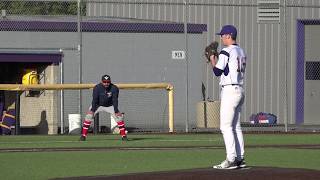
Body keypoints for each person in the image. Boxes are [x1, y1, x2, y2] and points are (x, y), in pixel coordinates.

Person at [209, 25, 247, 169]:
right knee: (235, 126)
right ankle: (240, 158)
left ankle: (231, 159)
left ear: (229, 35)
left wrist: (213, 59)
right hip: (240, 89)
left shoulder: (226, 50)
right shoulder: (240, 50)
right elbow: (228, 68)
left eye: (223, 35)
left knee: (225, 126)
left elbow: (218, 72)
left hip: (230, 91)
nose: (221, 37)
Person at [80, 74, 128, 141]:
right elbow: (95, 99)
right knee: (89, 116)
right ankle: (83, 136)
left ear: (110, 81)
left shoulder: (114, 88)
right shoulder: (97, 87)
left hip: (110, 105)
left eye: (108, 82)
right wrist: (92, 110)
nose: (106, 83)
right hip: (98, 105)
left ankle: (124, 136)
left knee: (119, 118)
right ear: (101, 81)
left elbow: (115, 100)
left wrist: (116, 111)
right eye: (104, 82)